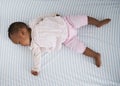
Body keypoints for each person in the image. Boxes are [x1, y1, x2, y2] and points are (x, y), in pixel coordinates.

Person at [8, 14, 111, 76]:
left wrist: (54, 15)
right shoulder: (34, 46)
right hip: (66, 39)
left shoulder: (33, 24)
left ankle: (97, 23)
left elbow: (43, 17)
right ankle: (95, 55)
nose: (20, 45)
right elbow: (37, 57)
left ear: (22, 32)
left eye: (18, 42)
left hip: (66, 22)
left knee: (83, 18)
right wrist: (36, 68)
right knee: (80, 49)